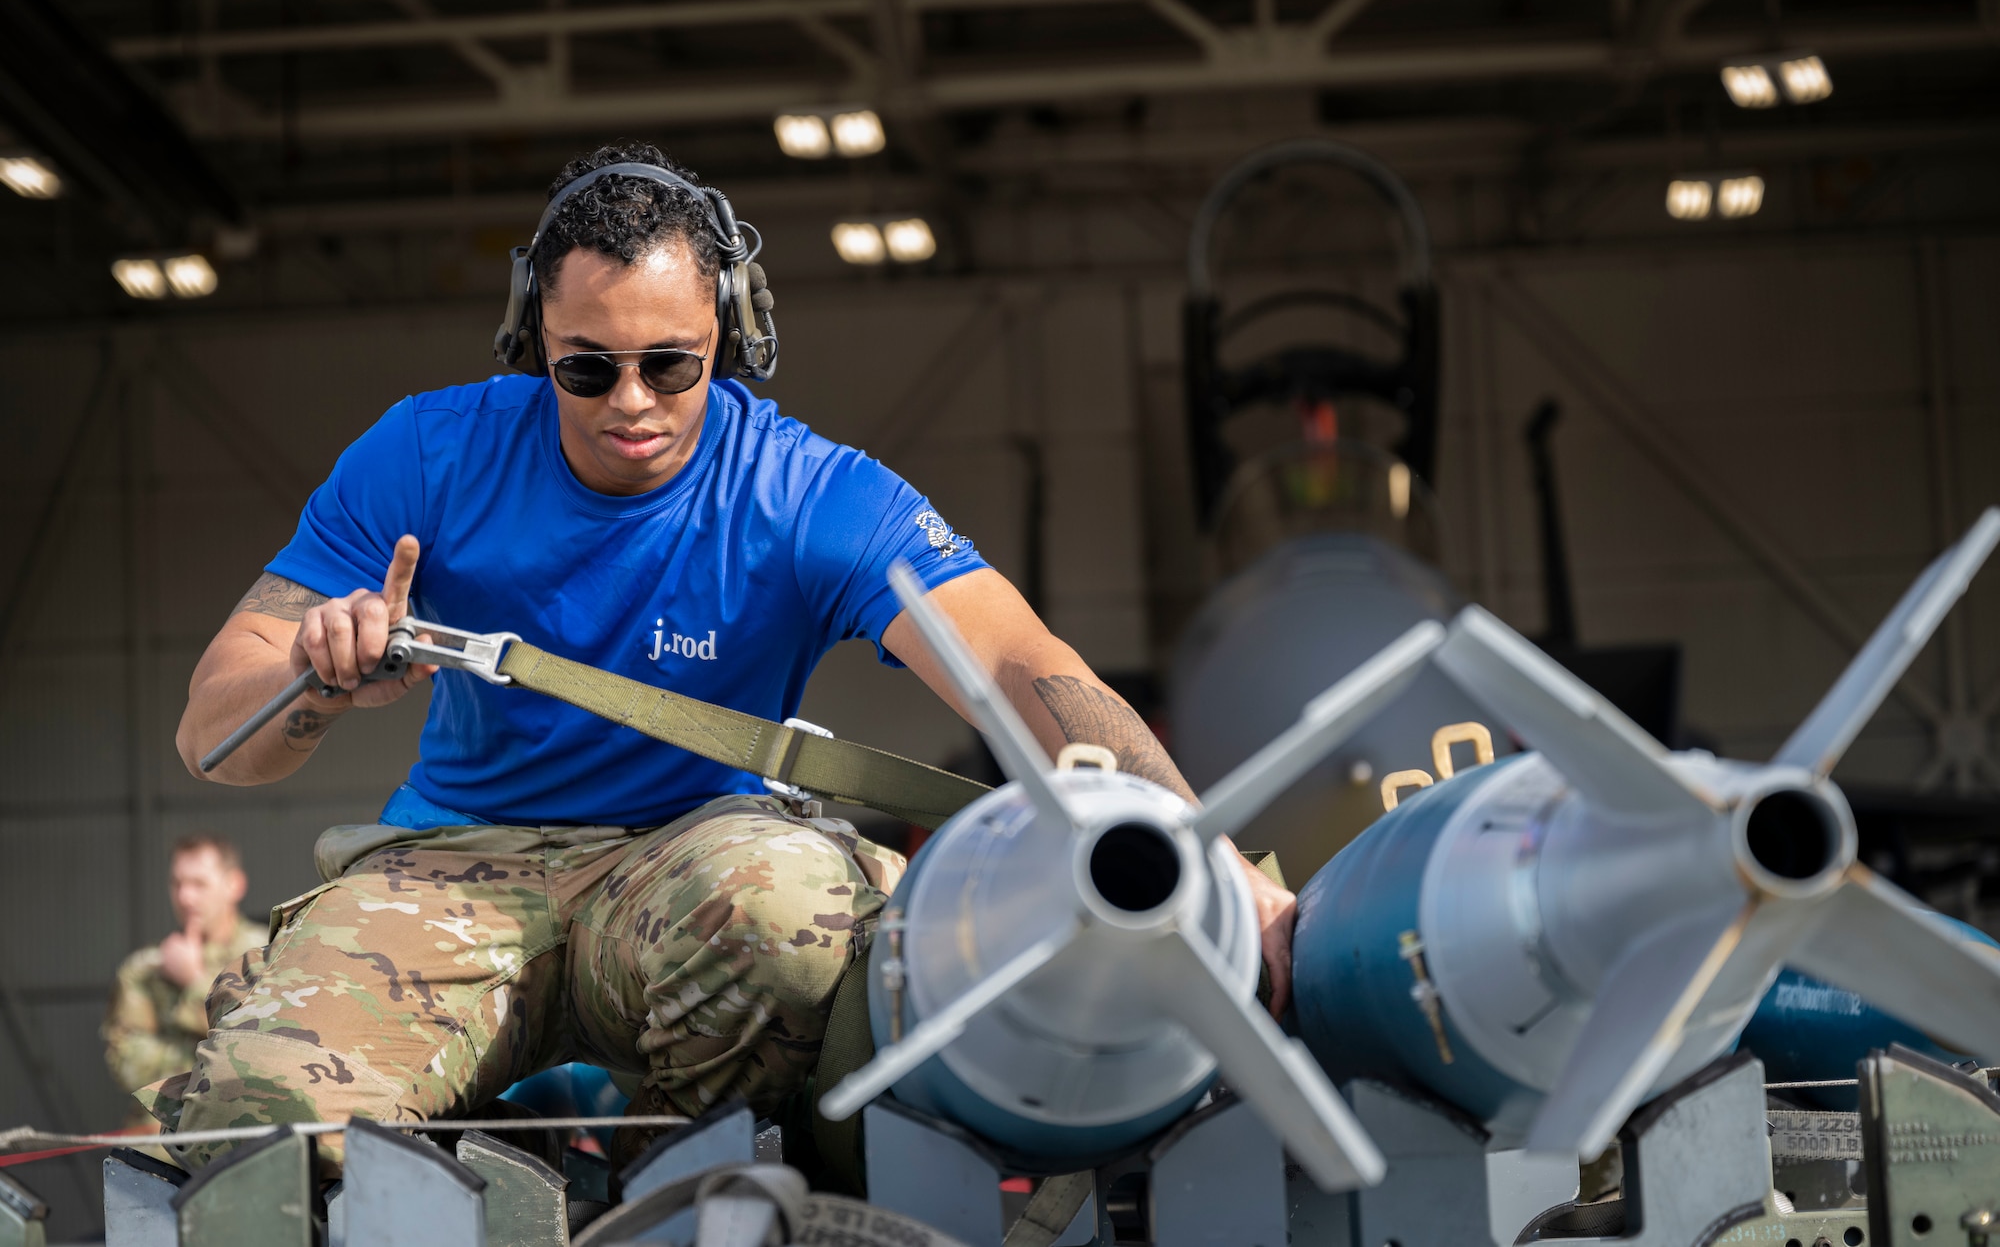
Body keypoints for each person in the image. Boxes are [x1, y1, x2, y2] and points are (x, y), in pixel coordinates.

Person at [155, 143, 1294, 1173]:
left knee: (788, 910)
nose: (632, 404)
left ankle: (698, 1183)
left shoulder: (804, 493)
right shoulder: (425, 453)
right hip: (456, 865)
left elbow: (1015, 663)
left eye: (672, 364)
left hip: (696, 878)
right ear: (531, 343)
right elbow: (213, 736)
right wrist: (314, 675)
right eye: (586, 369)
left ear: (730, 337)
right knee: (257, 1129)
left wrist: (1203, 857)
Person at [103, 834, 266, 1131]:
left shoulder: (268, 954)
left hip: (245, 1132)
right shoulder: (145, 969)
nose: (185, 897)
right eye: (177, 883)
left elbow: (265, 1044)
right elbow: (127, 1063)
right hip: (162, 1141)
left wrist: (194, 982)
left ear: (235, 884)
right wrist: (218, 1062)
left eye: (199, 884)